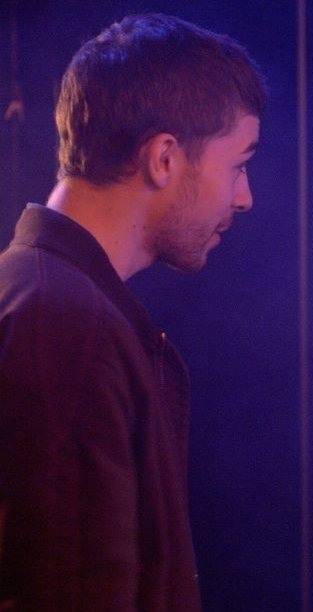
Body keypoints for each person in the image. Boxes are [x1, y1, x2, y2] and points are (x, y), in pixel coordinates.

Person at [0, 14, 265, 610]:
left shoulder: (46, 299)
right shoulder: (64, 326)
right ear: (164, 158)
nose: (245, 196)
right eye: (238, 165)